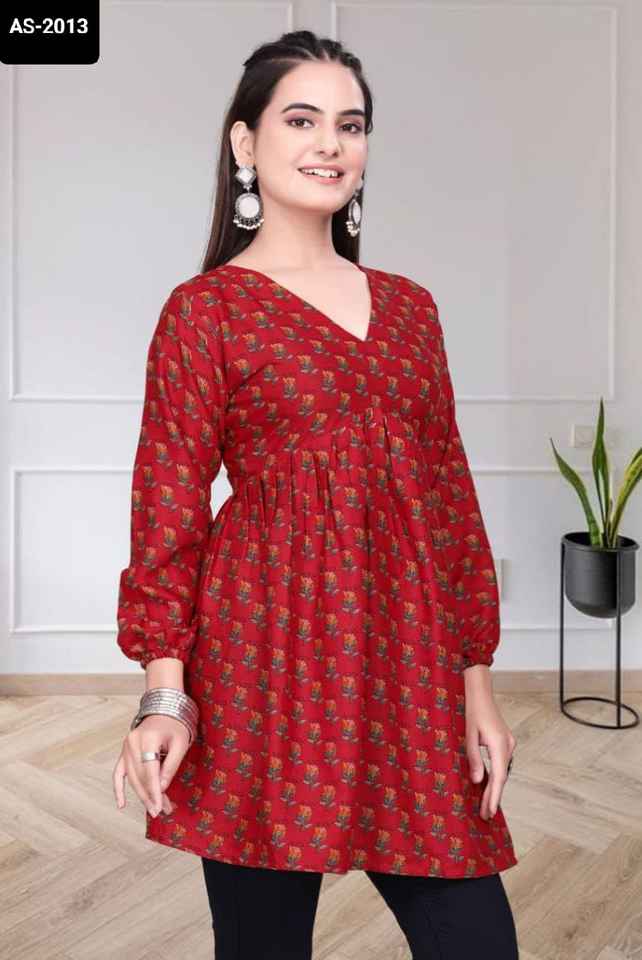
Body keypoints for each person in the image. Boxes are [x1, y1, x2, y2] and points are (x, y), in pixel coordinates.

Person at [112, 29, 520, 960]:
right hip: (262, 663)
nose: (330, 143)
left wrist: (478, 687)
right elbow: (166, 512)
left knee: (476, 942)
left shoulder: (411, 308)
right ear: (245, 142)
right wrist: (165, 697)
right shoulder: (206, 311)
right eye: (301, 120)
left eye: (351, 125)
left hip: (408, 660)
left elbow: (450, 503)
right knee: (263, 946)